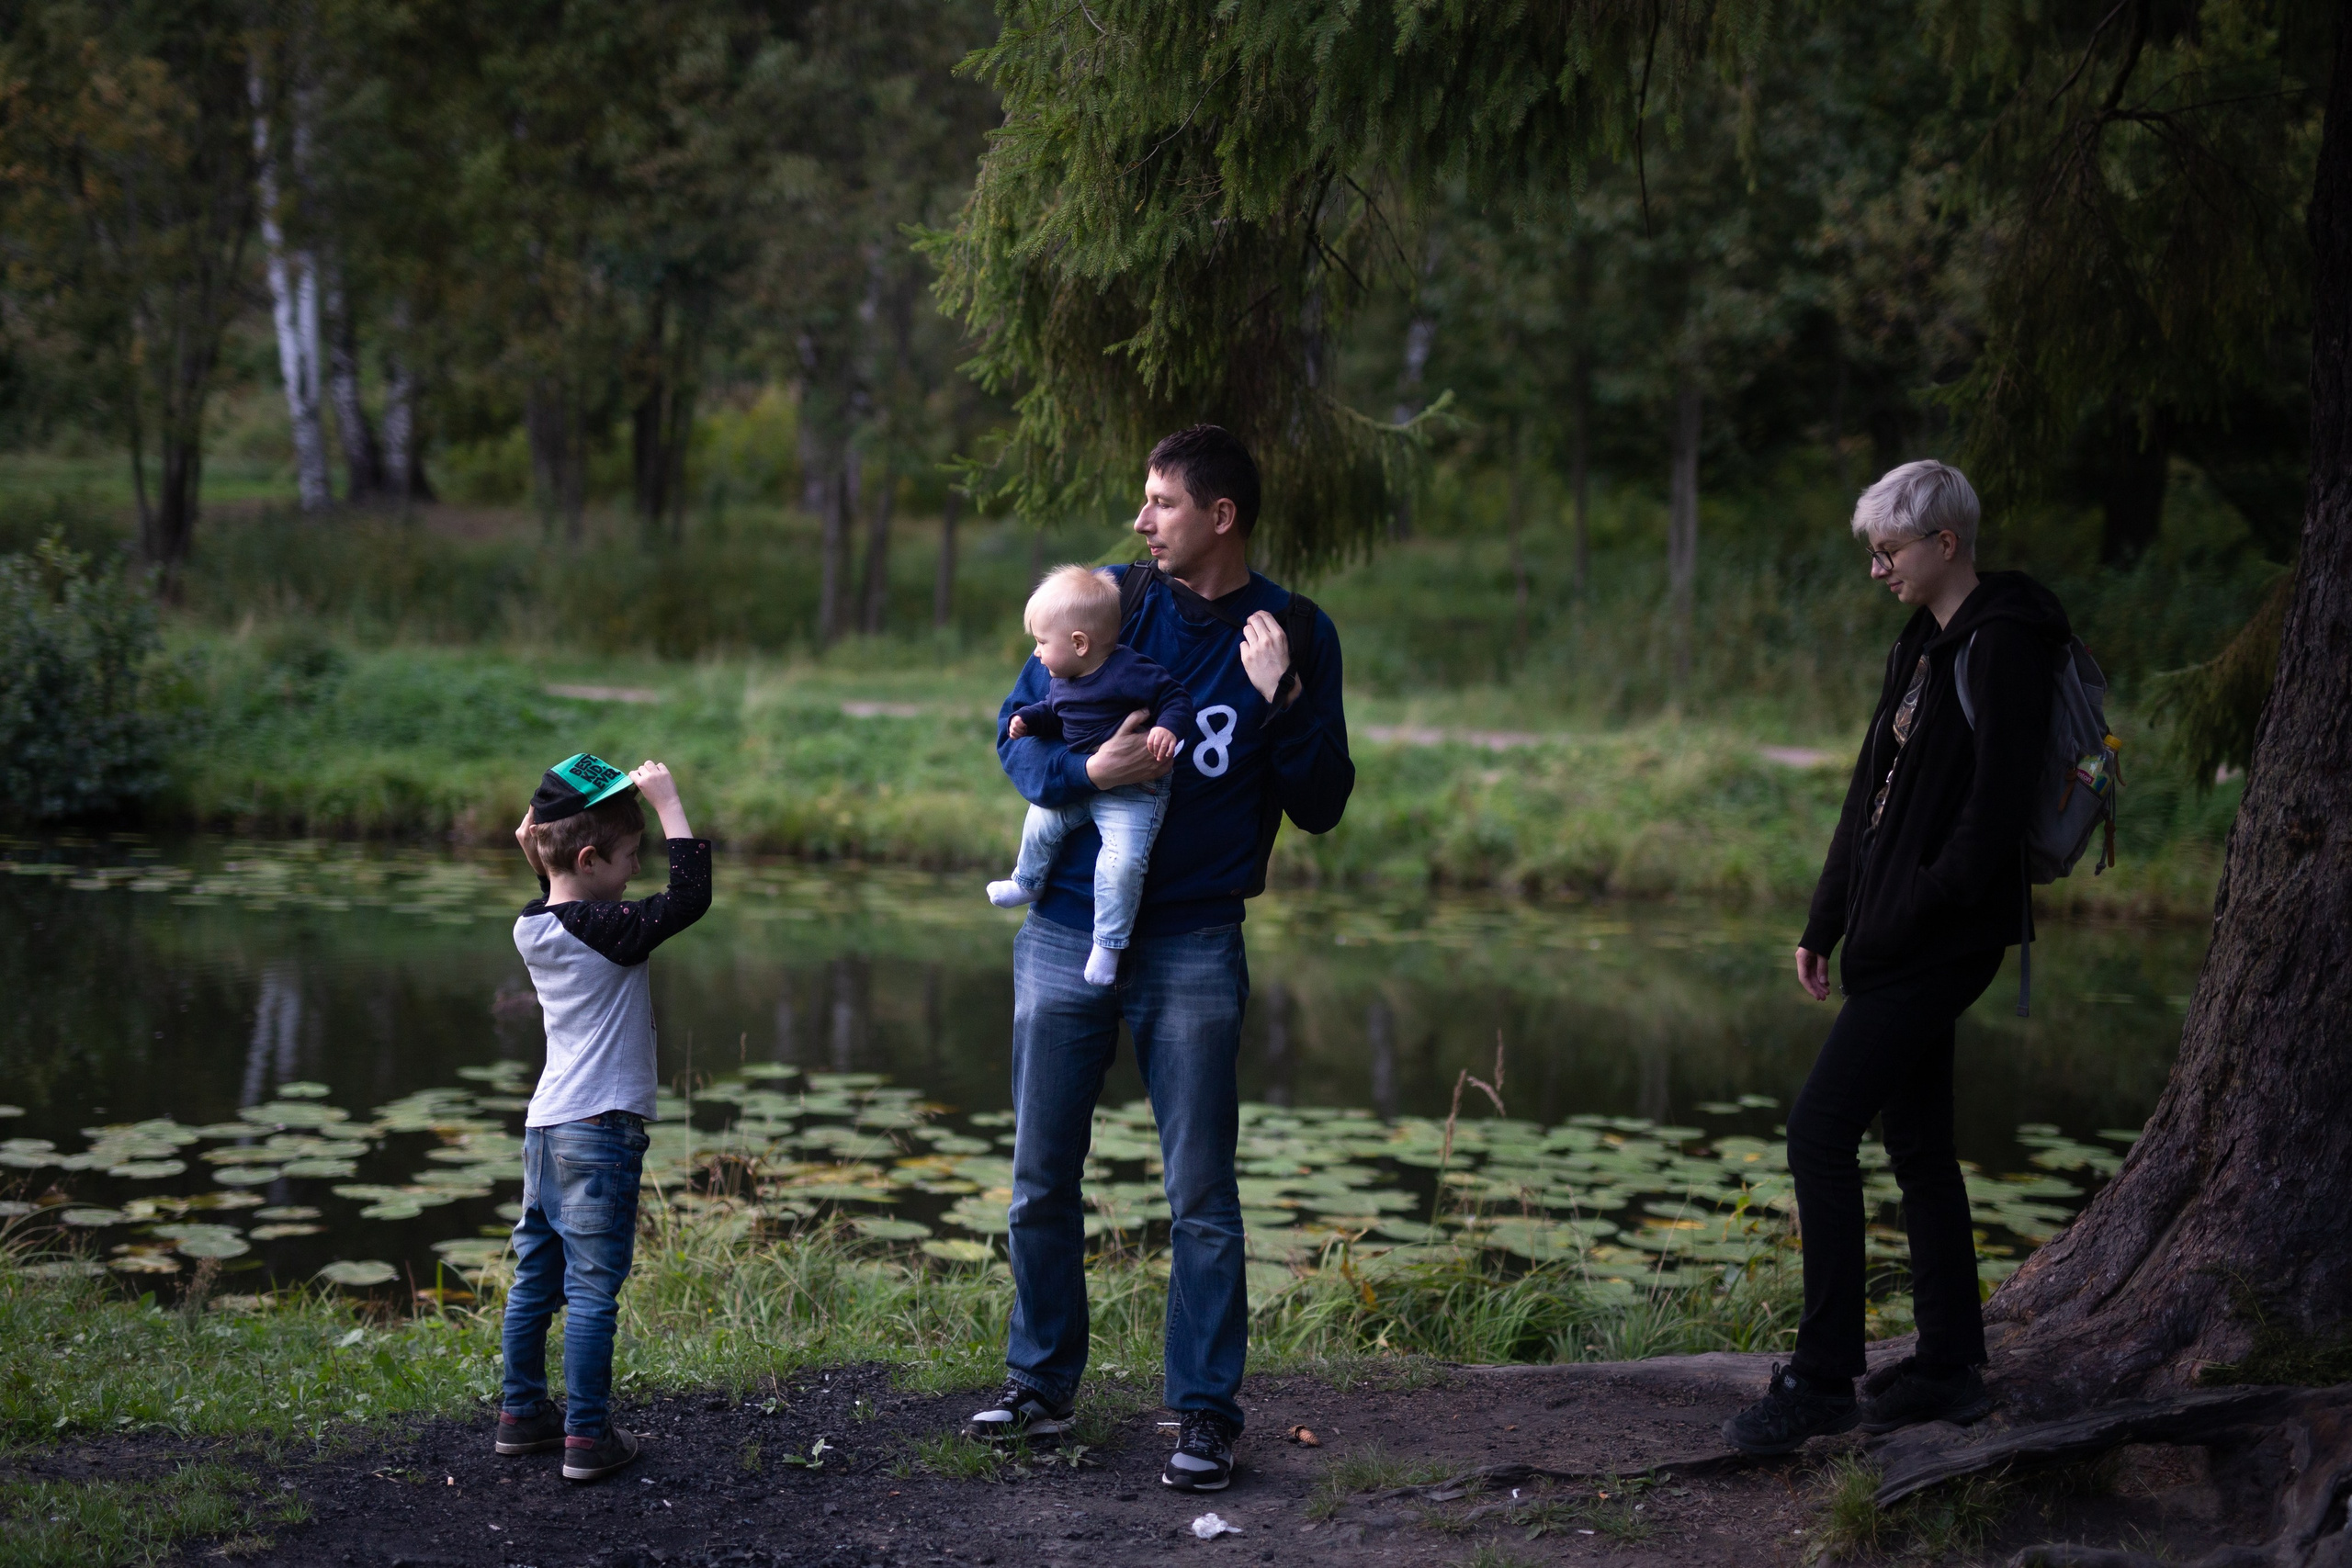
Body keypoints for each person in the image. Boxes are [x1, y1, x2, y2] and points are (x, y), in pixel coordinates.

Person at [967, 424, 1354, 1493]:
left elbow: (1321, 803)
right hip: (1061, 935)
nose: (1141, 522)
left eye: (1161, 504)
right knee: (1040, 1178)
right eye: (1142, 504)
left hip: (1192, 941)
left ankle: (1203, 1415)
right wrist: (1086, 770)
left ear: (1219, 516)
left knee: (1201, 1196)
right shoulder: (1108, 602)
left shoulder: (1295, 633)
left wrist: (1281, 697)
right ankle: (1040, 1384)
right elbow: (1014, 734)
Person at [1722, 460, 2073, 1456]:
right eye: (1872, 552)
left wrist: (1911, 909)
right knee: (1916, 1145)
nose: (1877, 568)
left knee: (1818, 1129)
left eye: (1889, 550)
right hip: (1887, 938)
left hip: (1937, 942)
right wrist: (1822, 921)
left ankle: (1824, 1376)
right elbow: (1865, 796)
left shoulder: (2000, 644)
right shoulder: (1920, 644)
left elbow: (1992, 813)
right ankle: (1951, 1365)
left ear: (1944, 544)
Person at [495, 753, 710, 1483]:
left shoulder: (535, 926)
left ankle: (522, 1413)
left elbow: (561, 890)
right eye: (626, 858)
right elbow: (688, 896)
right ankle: (587, 1436)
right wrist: (668, 802)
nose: (634, 873)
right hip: (600, 1128)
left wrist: (540, 848)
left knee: (535, 1277)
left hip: (546, 1127)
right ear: (588, 859)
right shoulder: (611, 928)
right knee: (591, 1289)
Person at [987, 565, 1198, 987]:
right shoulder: (1062, 677)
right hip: (1083, 783)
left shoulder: (1129, 671)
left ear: (1079, 643)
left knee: (1121, 864)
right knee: (1040, 820)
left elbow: (1175, 697)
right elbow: (1055, 712)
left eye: (1042, 643)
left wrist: (1166, 727)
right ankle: (1026, 881)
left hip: (1135, 791)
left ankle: (1108, 944)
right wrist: (1028, 719)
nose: (1036, 654)